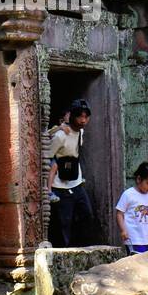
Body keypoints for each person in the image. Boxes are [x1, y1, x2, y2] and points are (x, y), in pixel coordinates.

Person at [46, 99, 93, 246]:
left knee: (86, 215)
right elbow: (47, 155)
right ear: (72, 116)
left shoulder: (81, 133)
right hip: (60, 186)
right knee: (63, 224)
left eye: (86, 117)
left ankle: (81, 248)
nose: (83, 121)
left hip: (76, 183)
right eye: (80, 116)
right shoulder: (60, 136)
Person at [116, 162, 148, 254]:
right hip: (132, 238)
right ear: (139, 179)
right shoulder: (128, 194)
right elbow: (119, 213)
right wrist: (123, 230)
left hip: (146, 239)